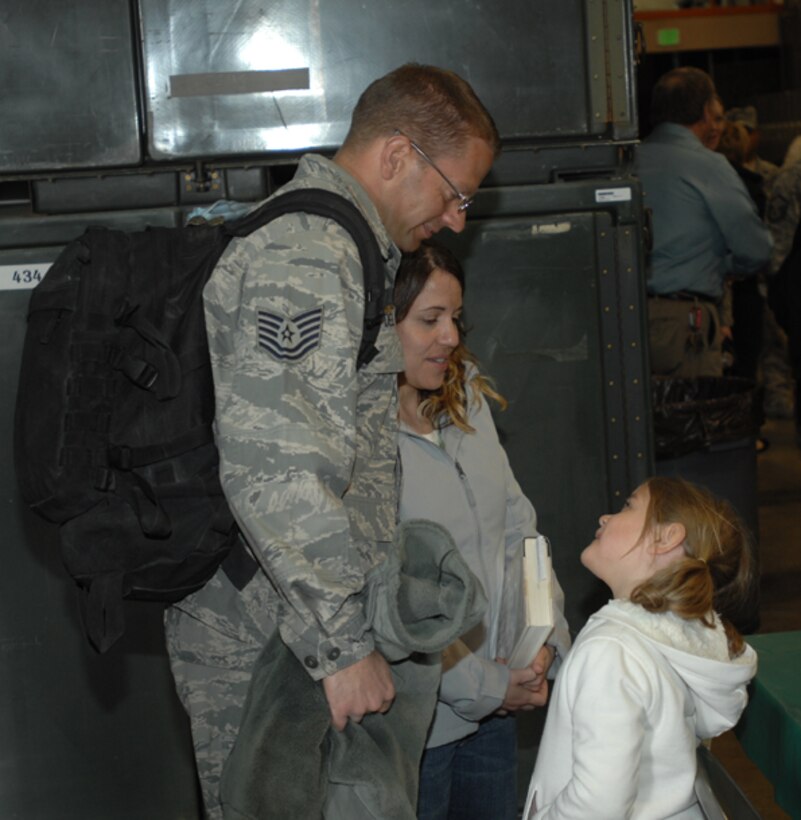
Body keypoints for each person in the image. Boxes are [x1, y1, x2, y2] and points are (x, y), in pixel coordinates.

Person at [164, 63, 500, 819]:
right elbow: (276, 469)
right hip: (265, 630)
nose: (457, 219)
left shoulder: (348, 247)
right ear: (396, 155)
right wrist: (342, 647)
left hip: (295, 621)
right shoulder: (308, 255)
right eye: (454, 192)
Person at [393, 242, 571, 820]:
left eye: (455, 318)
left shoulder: (464, 391)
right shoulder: (360, 440)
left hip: (497, 707)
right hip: (419, 729)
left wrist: (542, 637)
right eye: (429, 320)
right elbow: (393, 598)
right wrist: (482, 685)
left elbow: (518, 526)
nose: (450, 336)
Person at [523, 476, 758, 819]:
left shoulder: (610, 651)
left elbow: (596, 807)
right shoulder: (674, 637)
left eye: (628, 506)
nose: (606, 518)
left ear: (665, 537)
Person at [637, 67, 773, 378]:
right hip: (685, 324)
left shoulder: (628, 161)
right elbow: (756, 249)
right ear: (705, 113)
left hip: (624, 319)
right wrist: (723, 266)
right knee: (691, 421)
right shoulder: (709, 167)